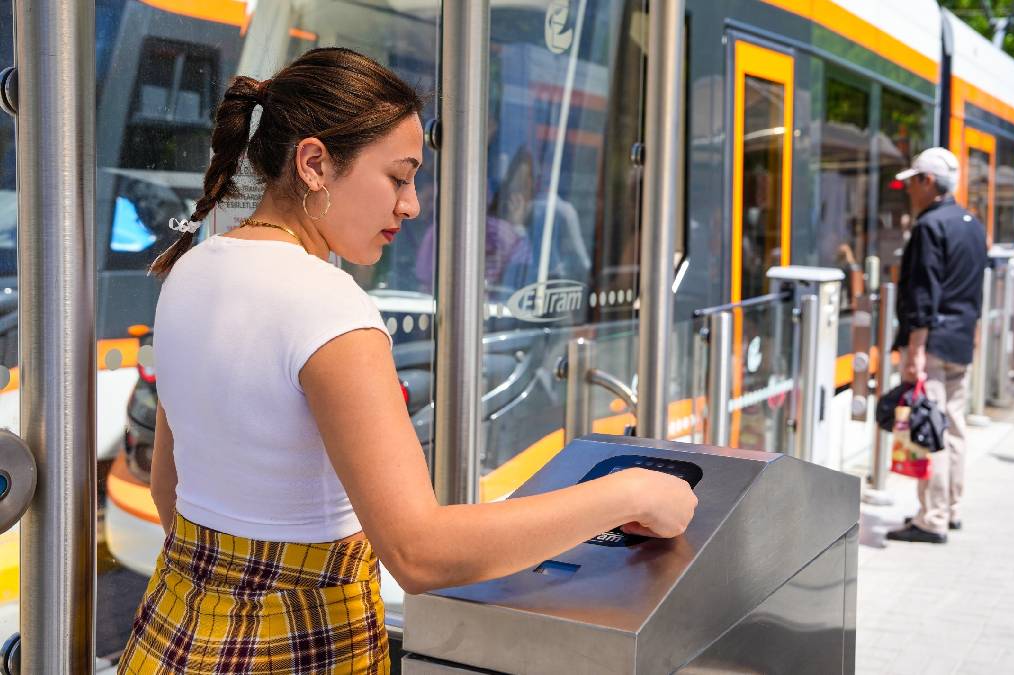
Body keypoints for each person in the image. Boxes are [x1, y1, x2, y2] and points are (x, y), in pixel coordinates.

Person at [118, 48, 696, 673]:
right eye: (398, 176)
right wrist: (632, 490)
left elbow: (169, 487)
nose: (412, 204)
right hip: (298, 647)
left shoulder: (189, 271)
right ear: (314, 163)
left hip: (175, 629)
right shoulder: (328, 305)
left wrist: (235, 584)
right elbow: (419, 555)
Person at [885, 147, 988, 544]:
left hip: (933, 342)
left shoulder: (929, 227)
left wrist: (915, 350)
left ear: (928, 181)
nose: (908, 189)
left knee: (931, 429)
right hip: (961, 339)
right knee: (956, 426)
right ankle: (953, 508)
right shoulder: (971, 223)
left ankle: (933, 518)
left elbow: (923, 293)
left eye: (912, 181)